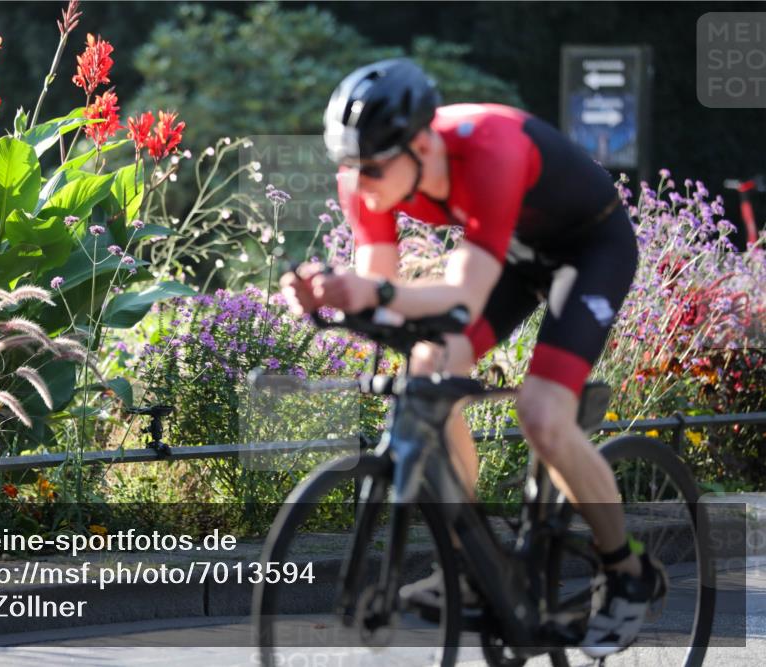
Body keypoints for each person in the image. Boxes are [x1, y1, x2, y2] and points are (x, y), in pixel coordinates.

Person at [280, 58, 665, 657]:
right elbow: (381, 293)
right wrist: (330, 298)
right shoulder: (366, 179)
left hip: (590, 250)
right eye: (349, 166)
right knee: (429, 371)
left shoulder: (490, 147)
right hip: (514, 253)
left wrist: (375, 294)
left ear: (421, 143)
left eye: (375, 166)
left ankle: (626, 568)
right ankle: (469, 563)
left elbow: (461, 293)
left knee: (542, 416)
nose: (361, 181)